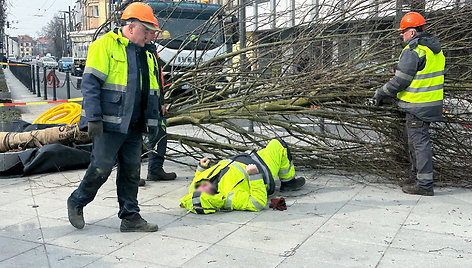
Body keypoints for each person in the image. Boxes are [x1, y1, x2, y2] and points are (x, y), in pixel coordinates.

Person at [67, 2, 163, 232]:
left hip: (134, 123)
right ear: (131, 27)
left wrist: (159, 109)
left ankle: (130, 217)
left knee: (131, 171)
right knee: (101, 168)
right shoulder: (105, 46)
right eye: (147, 30)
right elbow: (90, 85)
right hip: (109, 123)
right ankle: (77, 201)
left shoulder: (146, 53)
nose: (150, 36)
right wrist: (93, 118)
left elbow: (151, 87)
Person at [373, 12, 445, 196]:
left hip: (417, 105)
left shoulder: (414, 50)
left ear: (412, 32)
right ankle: (417, 177)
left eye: (403, 31)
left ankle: (424, 185)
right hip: (429, 103)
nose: (401, 35)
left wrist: (381, 93)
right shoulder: (435, 50)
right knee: (416, 142)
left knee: (419, 144)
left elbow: (400, 81)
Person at [180, 139, 306, 214]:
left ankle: (286, 177)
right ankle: (288, 181)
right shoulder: (230, 198)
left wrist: (201, 168)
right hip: (261, 169)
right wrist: (254, 176)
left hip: (246, 159)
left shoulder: (196, 188)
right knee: (278, 145)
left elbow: (199, 177)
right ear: (211, 198)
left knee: (271, 148)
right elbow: (258, 203)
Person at [137, 26, 176, 187]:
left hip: (153, 102)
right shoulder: (136, 51)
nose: (155, 35)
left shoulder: (151, 50)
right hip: (139, 101)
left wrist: (161, 103)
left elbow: (157, 79)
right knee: (132, 139)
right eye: (152, 32)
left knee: (159, 133)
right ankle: (130, 175)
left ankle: (155, 169)